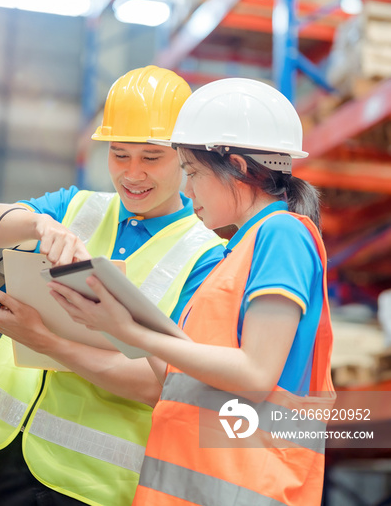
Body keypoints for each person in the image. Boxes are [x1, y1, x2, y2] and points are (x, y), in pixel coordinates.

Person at [47, 77, 336, 506]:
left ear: (237, 166)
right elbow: (181, 377)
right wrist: (117, 318)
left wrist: (131, 332)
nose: (187, 189)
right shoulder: (235, 253)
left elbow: (256, 373)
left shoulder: (282, 235)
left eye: (193, 172)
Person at [0, 65, 226, 506]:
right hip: (10, 449)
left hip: (93, 481)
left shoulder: (207, 257)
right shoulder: (75, 206)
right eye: (119, 154)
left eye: (151, 158)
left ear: (185, 158)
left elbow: (166, 383)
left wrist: (45, 341)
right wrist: (39, 222)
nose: (132, 173)